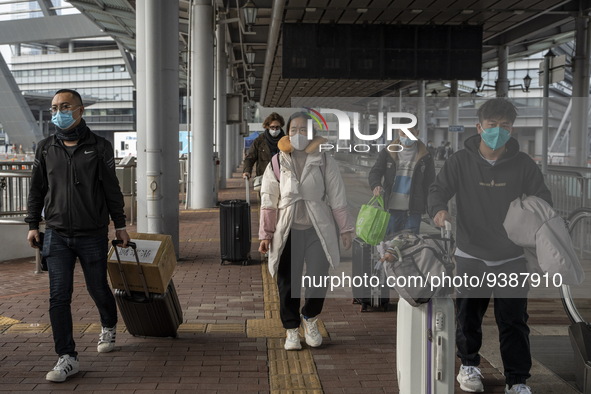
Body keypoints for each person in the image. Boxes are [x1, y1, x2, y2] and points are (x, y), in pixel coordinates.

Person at [428, 98, 552, 394]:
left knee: (514, 321)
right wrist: (438, 209)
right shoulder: (460, 161)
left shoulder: (523, 165)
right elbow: (438, 188)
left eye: (505, 126)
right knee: (468, 315)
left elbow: (543, 199)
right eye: (492, 125)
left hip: (512, 257)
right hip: (471, 253)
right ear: (479, 127)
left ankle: (517, 380)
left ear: (512, 129)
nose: (498, 131)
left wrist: (532, 213)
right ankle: (469, 364)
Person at [25, 89, 130, 383]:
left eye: (65, 106)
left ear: (80, 110)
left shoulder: (99, 146)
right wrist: (33, 224)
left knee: (97, 287)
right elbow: (37, 189)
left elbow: (111, 189)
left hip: (92, 234)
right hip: (56, 234)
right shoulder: (45, 148)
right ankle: (67, 357)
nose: (59, 111)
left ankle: (109, 324)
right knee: (59, 296)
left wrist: (119, 225)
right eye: (55, 106)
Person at [258, 112, 354, 351]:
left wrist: (346, 229)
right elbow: (268, 200)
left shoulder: (324, 160)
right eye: (294, 130)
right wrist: (265, 235)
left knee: (318, 277)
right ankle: (291, 330)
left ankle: (310, 319)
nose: (298, 134)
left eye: (303, 130)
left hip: (316, 228)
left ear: (311, 133)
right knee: (288, 282)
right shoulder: (277, 162)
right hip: (288, 229)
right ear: (287, 132)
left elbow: (337, 195)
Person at [368, 126, 435, 236]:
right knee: (390, 245)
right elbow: (375, 172)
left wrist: (431, 209)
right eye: (403, 133)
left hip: (414, 210)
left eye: (411, 132)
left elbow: (430, 183)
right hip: (391, 209)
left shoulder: (425, 156)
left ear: (417, 132)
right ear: (398, 132)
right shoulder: (388, 152)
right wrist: (376, 185)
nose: (406, 136)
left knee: (411, 245)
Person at [243, 112, 285, 181]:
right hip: (264, 177)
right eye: (272, 127)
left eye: (277, 127)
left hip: (282, 178)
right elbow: (250, 157)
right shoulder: (260, 140)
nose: (275, 130)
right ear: (267, 126)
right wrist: (247, 171)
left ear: (281, 126)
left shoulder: (285, 140)